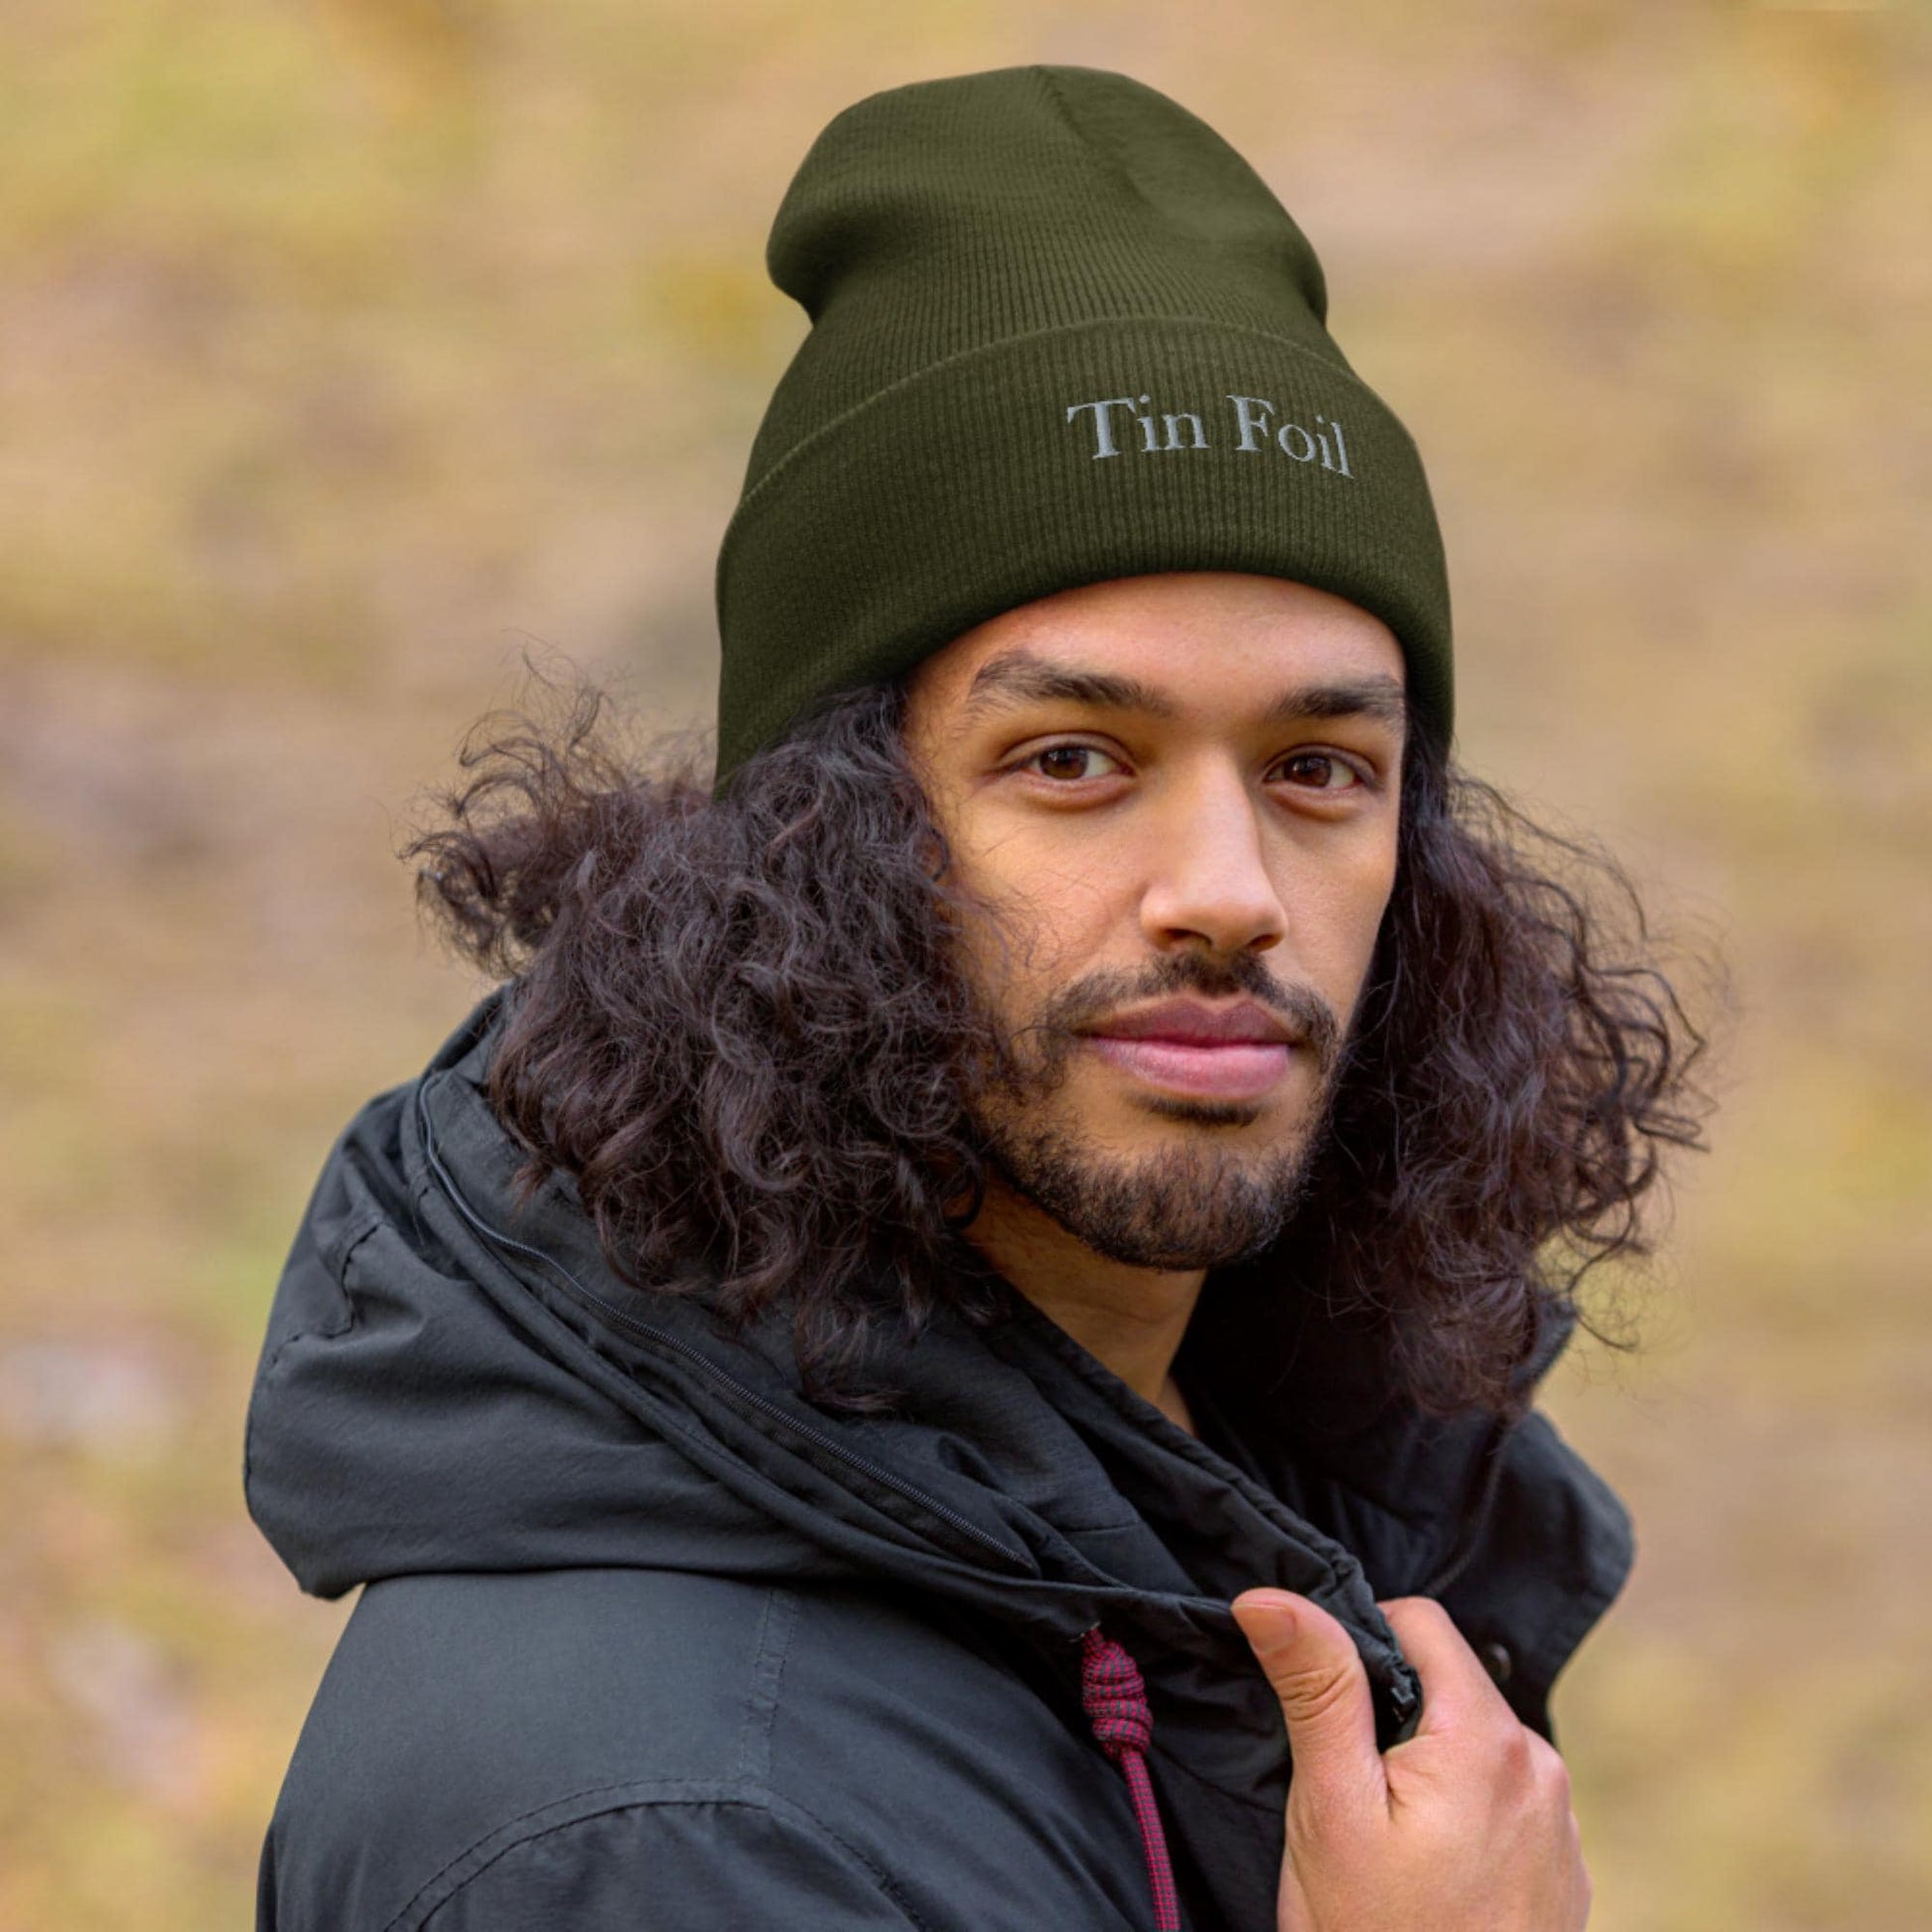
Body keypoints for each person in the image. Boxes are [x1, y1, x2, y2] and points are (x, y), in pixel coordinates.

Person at [245, 64, 1716, 1931]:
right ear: (818, 843)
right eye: (1074, 760)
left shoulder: (1231, 1479)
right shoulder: (668, 1831)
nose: (1228, 895)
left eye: (1317, 769)